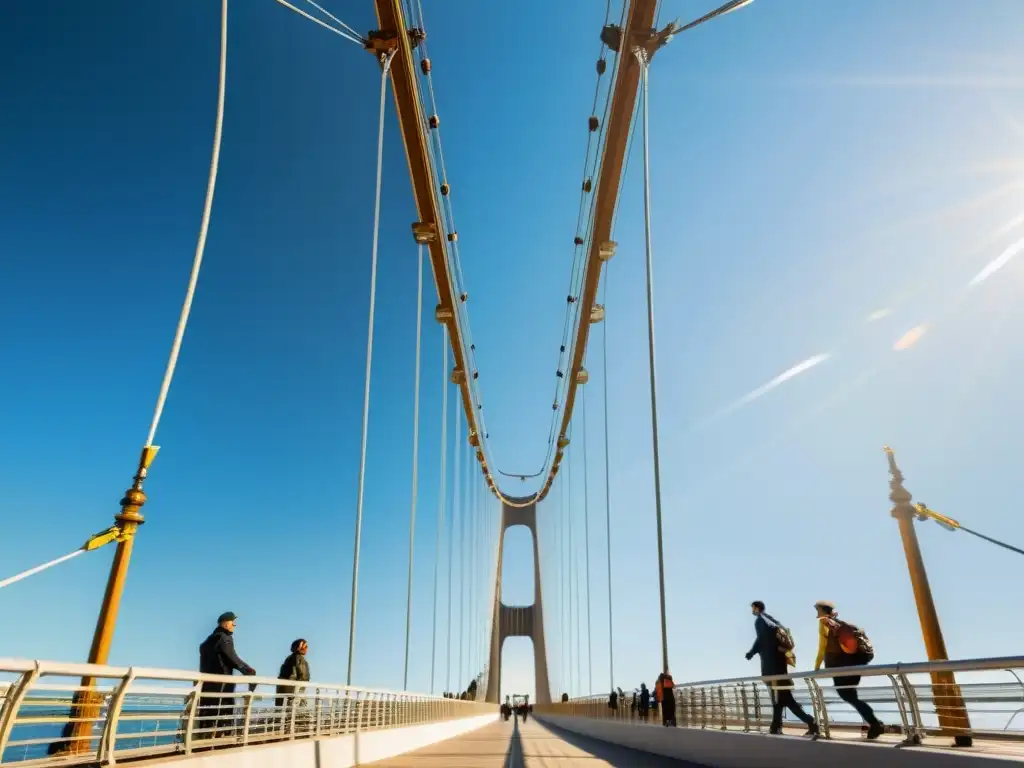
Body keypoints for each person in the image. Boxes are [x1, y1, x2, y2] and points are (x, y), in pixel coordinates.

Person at [745, 600, 818, 736]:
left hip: (772, 667)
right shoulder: (772, 620)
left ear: (756, 608)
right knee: (778, 699)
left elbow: (761, 640)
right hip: (780, 665)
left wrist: (751, 652)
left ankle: (811, 723)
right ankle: (776, 726)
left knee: (784, 699)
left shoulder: (760, 621)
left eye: (752, 608)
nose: (752, 611)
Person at [814, 600, 883, 740]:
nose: (816, 612)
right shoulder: (839, 622)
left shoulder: (825, 623)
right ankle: (874, 724)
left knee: (847, 695)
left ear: (822, 611)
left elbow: (822, 647)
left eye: (818, 609)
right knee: (850, 696)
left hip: (841, 666)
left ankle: (875, 724)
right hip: (852, 663)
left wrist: (816, 667)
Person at [198, 612, 256, 737]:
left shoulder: (209, 640)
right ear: (225, 624)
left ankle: (203, 738)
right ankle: (222, 738)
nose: (234, 625)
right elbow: (232, 658)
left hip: (207, 685)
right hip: (222, 685)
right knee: (224, 711)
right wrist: (249, 671)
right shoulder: (224, 638)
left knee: (207, 713)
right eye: (232, 622)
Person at [275, 638, 311, 718]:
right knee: (296, 714)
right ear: (299, 648)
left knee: (284, 714)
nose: (307, 649)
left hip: (284, 692)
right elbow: (304, 676)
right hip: (294, 692)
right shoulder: (299, 659)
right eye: (305, 647)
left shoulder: (289, 658)